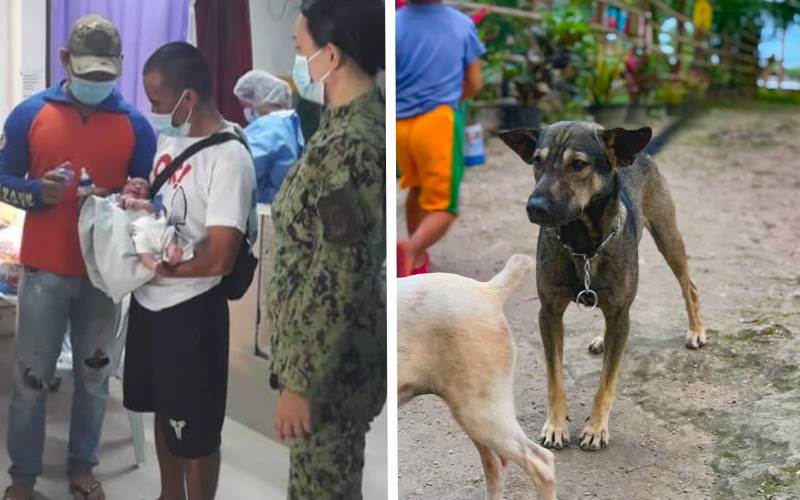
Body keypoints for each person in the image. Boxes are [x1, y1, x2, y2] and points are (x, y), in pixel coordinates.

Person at [0, 15, 156, 500]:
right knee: (30, 381)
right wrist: (33, 192)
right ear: (65, 61)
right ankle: (22, 478)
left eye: (104, 77)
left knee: (93, 381)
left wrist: (133, 195)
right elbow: (2, 179)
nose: (95, 85)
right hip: (45, 271)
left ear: (120, 66)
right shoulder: (29, 114)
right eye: (86, 75)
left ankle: (82, 467)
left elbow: (149, 200)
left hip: (103, 278)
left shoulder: (137, 127)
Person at [122, 42, 255, 500]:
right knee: (161, 408)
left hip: (192, 313)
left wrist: (159, 268)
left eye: (158, 101)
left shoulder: (229, 158)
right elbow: (170, 208)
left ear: (188, 99)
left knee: (195, 429)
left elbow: (219, 258)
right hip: (149, 304)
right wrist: (144, 195)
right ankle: (168, 495)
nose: (153, 110)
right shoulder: (171, 139)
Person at [266, 0, 386, 497]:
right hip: (321, 361)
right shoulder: (336, 128)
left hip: (331, 374)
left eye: (300, 50)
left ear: (330, 56)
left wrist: (301, 382)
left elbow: (340, 274)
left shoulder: (354, 145)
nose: (296, 64)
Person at [395, 0, 486, 277]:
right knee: (444, 207)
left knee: (418, 189)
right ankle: (411, 250)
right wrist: (444, 100)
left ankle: (418, 260)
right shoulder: (461, 24)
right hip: (436, 123)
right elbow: (474, 83)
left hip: (400, 126)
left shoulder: (395, 23)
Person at [233, 70, 304, 204]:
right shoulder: (286, 123)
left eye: (248, 105)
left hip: (265, 205)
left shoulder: (272, 128)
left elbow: (242, 164)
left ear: (262, 99)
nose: (247, 111)